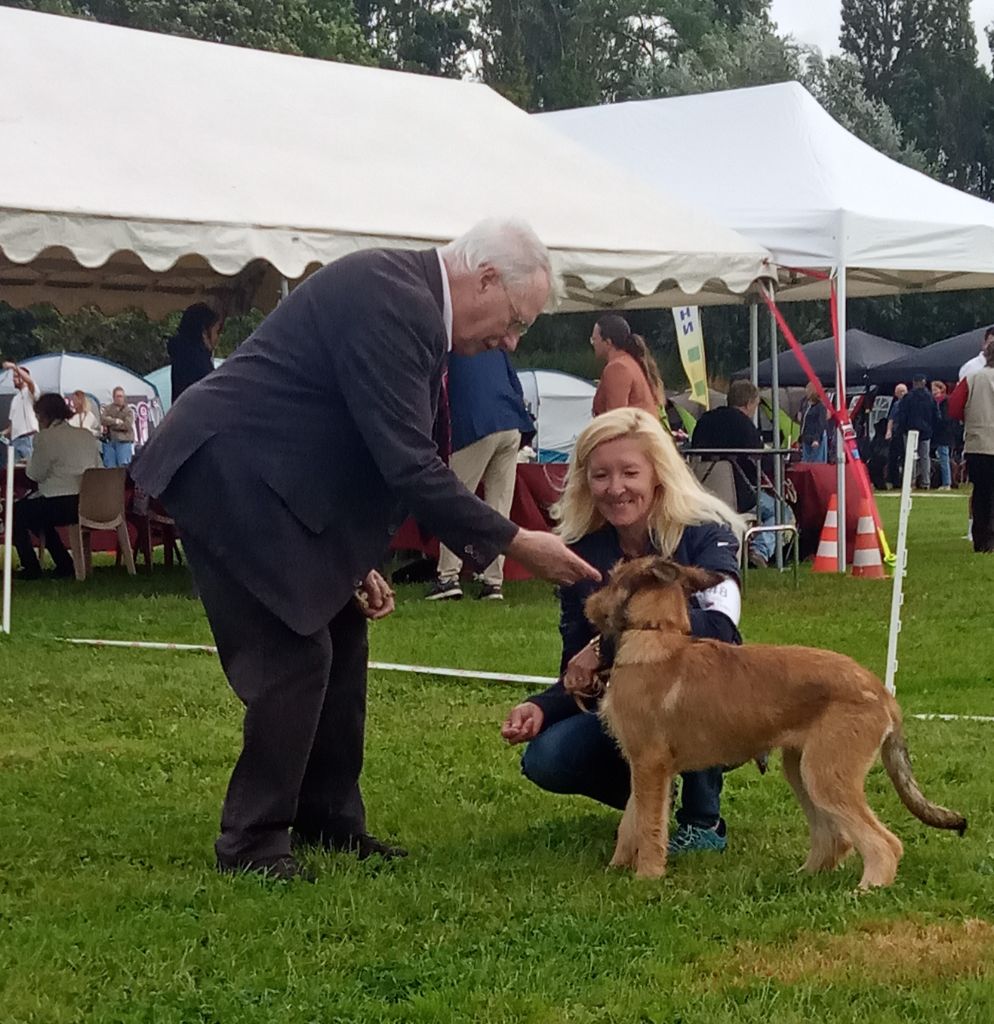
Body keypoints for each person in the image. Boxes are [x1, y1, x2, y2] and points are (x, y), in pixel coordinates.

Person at [131, 218, 600, 880]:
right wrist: (515, 541)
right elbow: (406, 460)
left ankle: (329, 819)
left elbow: (366, 448)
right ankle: (253, 842)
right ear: (486, 278)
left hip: (277, 479)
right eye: (514, 320)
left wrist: (355, 560)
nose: (511, 340)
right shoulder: (392, 297)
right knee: (295, 652)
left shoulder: (408, 301)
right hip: (228, 470)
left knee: (342, 634)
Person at [501, 407, 745, 855]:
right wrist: (544, 705)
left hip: (714, 703)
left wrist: (606, 647)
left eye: (629, 472)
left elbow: (723, 629)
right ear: (584, 482)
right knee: (546, 758)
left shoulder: (706, 536)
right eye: (600, 476)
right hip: (629, 702)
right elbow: (578, 663)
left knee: (693, 682)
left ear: (658, 474)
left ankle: (702, 819)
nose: (615, 488)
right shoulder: (579, 552)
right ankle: (653, 796)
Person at [426, 349, 535, 601]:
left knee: (454, 502)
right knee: (499, 507)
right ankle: (493, 581)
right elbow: (515, 385)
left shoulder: (449, 347)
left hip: (474, 424)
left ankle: (448, 577)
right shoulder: (494, 345)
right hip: (510, 424)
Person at [690, 380, 791, 569]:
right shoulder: (744, 426)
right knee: (782, 511)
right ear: (749, 404)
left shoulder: (704, 421)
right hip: (739, 495)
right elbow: (762, 462)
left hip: (703, 493)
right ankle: (760, 550)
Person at [12, 393, 102, 580]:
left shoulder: (44, 438)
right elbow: (99, 469)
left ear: (43, 416)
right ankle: (63, 563)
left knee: (17, 512)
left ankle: (31, 566)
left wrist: (29, 463)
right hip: (91, 503)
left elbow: (34, 474)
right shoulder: (86, 435)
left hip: (60, 504)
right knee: (36, 516)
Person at [949, 335, 994, 553]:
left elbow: (954, 408)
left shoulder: (972, 378)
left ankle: (981, 539)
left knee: (981, 492)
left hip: (978, 443)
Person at [590, 313, 662, 417]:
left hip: (633, 432)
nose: (593, 344)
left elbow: (616, 417)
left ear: (608, 342)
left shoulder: (617, 367)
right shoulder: (629, 362)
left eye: (594, 339)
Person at [168, 303, 222, 403]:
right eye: (216, 332)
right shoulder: (199, 363)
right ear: (204, 332)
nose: (217, 338)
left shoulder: (181, 356)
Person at [895, 373, 939, 490]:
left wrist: (903, 428)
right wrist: (931, 428)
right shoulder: (930, 397)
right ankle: (926, 482)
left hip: (910, 430)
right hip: (926, 431)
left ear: (914, 383)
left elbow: (902, 415)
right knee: (925, 457)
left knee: (910, 456)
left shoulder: (908, 397)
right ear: (924, 383)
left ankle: (910, 481)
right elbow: (936, 415)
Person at [2, 361, 40, 462]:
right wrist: (2, 433)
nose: (13, 380)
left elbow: (30, 381)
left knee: (29, 470)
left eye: (15, 376)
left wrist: (14, 367)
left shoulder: (30, 392)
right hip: (15, 441)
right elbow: (12, 425)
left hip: (28, 437)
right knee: (14, 473)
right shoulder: (15, 399)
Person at [100, 387, 135, 467]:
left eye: (121, 396)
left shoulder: (128, 411)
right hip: (110, 442)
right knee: (110, 468)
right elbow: (102, 419)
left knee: (123, 467)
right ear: (113, 397)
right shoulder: (108, 408)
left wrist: (111, 425)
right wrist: (115, 421)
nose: (120, 398)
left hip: (124, 442)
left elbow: (127, 425)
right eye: (118, 396)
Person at [931, 381, 954, 490]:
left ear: (941, 389)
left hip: (943, 434)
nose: (933, 391)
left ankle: (947, 482)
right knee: (942, 457)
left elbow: (945, 418)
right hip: (941, 433)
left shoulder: (944, 402)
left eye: (935, 389)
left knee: (944, 457)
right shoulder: (936, 402)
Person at [885, 382, 909, 488]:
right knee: (893, 457)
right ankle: (893, 480)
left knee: (905, 457)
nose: (902, 393)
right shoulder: (896, 404)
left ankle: (905, 480)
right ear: (896, 394)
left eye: (904, 391)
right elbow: (891, 418)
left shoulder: (909, 403)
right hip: (897, 433)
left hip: (906, 432)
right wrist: (889, 431)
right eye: (900, 392)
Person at [798, 381, 828, 463]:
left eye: (808, 389)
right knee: (805, 461)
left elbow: (821, 424)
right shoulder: (806, 405)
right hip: (806, 438)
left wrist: (816, 439)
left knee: (816, 462)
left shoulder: (820, 407)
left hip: (815, 439)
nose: (806, 391)